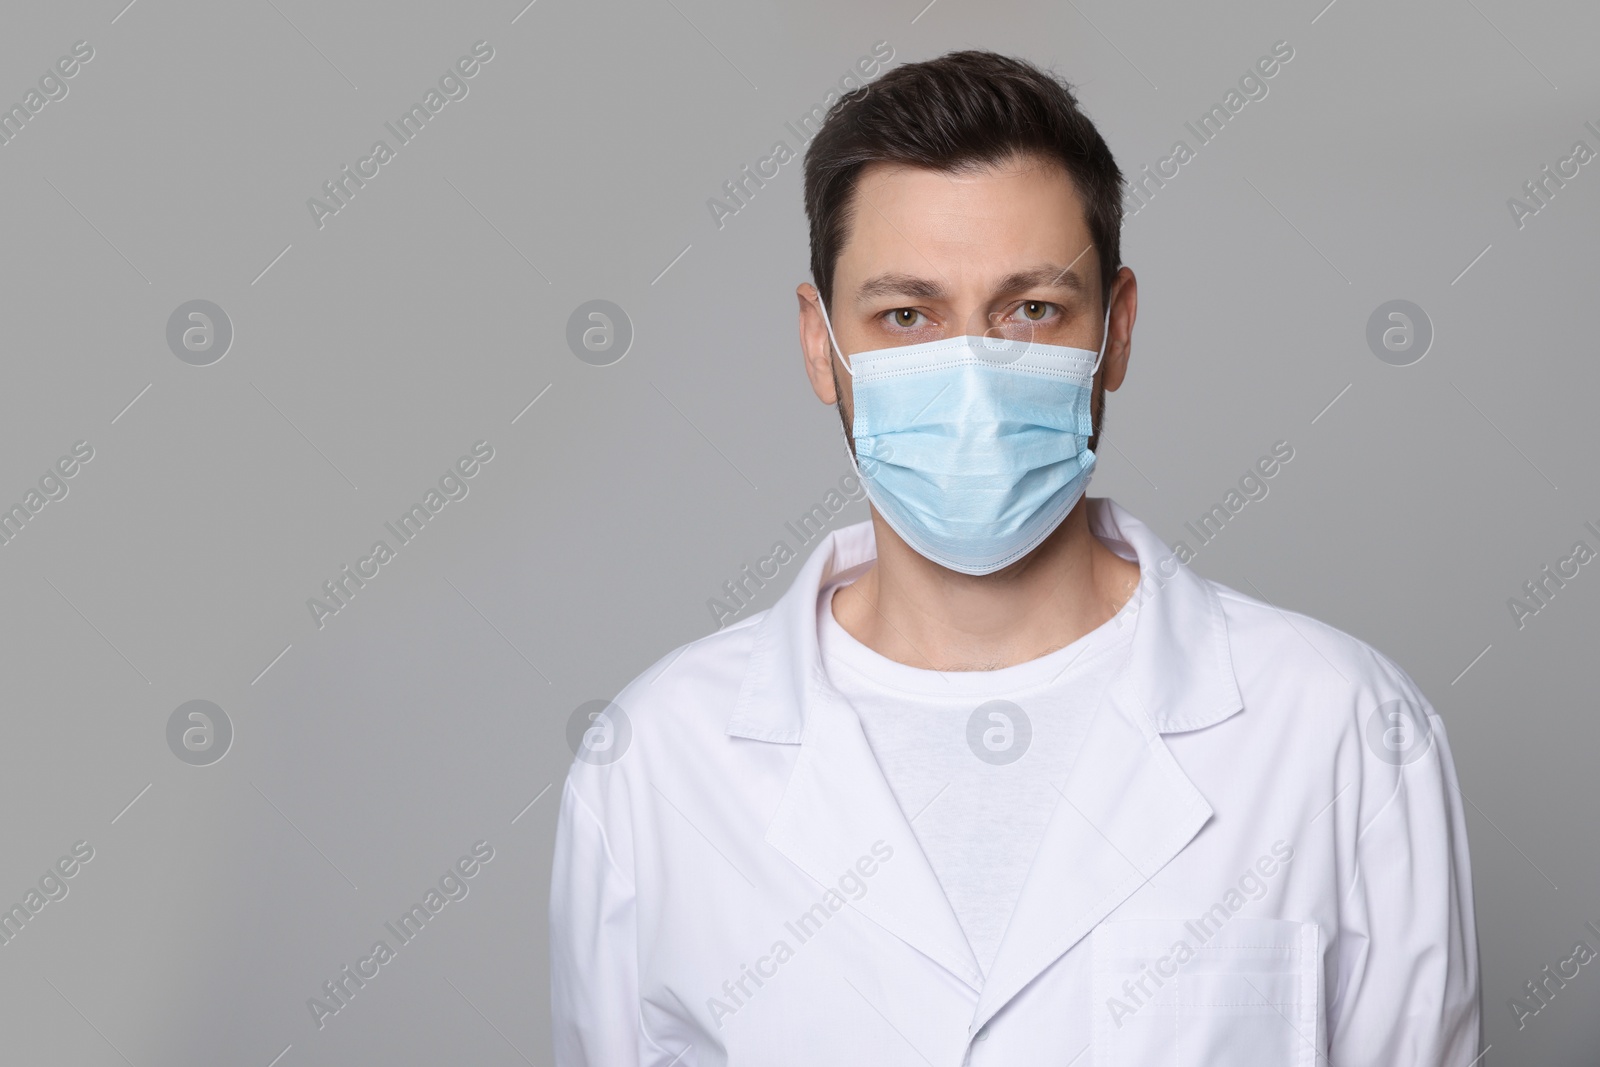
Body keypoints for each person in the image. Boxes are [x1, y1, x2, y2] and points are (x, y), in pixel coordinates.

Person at [550, 50, 1480, 1065]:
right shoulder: (659, 762)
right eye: (906, 315)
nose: (974, 373)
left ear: (1114, 329)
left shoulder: (1341, 730)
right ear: (821, 345)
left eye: (1031, 309)